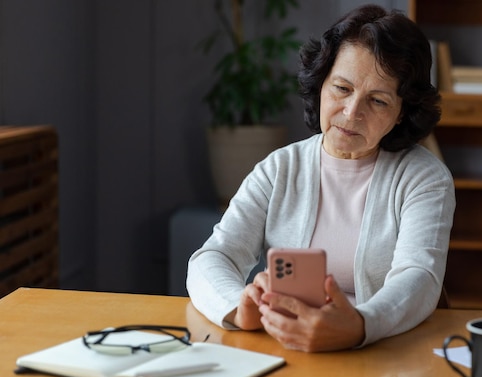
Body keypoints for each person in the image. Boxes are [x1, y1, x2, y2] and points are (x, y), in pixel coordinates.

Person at [187, 4, 455, 352]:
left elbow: (419, 277)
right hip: (285, 349)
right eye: (342, 89)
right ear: (321, 84)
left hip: (382, 353)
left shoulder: (424, 179)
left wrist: (358, 326)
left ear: (402, 114)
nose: (351, 113)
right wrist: (240, 308)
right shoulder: (279, 168)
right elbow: (213, 257)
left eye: (377, 101)